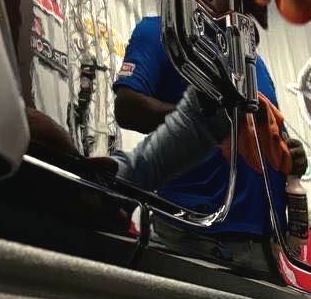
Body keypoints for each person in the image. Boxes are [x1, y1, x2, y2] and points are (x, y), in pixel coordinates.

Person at [114, 15, 294, 276]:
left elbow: (270, 133)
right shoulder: (161, 30)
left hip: (262, 245)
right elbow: (127, 106)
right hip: (191, 236)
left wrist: (291, 153)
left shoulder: (255, 64)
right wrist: (213, 120)